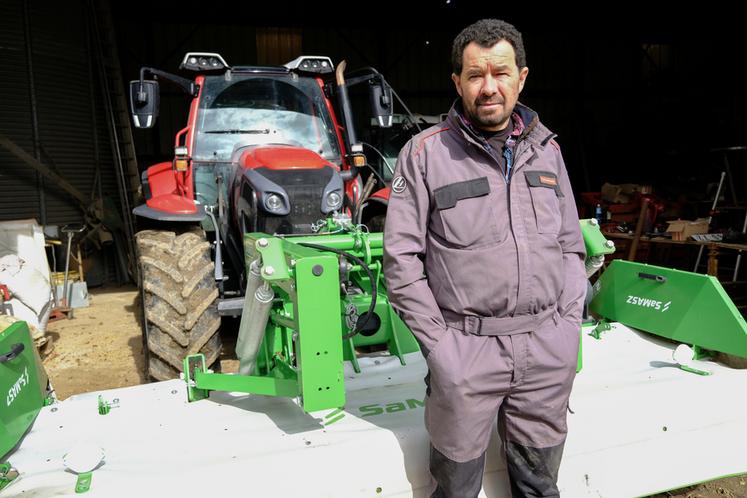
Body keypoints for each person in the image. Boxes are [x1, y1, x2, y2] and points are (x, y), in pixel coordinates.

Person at [383, 18, 587, 498]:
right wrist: (442, 349)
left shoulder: (547, 151)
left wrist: (566, 326)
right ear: (457, 82)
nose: (488, 87)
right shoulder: (425, 155)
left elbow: (571, 245)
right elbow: (402, 260)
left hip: (545, 350)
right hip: (466, 351)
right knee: (456, 489)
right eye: (475, 75)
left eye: (500, 73)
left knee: (539, 484)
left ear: (522, 78)